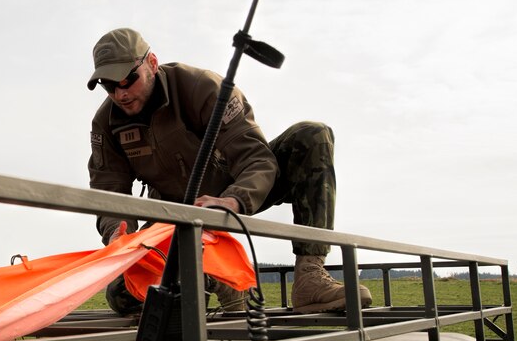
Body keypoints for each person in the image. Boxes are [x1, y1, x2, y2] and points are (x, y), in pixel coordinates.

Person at [85, 27, 372, 314]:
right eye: (109, 86)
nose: (121, 94)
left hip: (235, 187)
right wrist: (117, 233)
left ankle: (310, 275)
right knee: (121, 295)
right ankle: (216, 277)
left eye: (128, 80)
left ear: (152, 63)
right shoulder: (106, 124)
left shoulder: (202, 88)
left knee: (312, 136)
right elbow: (108, 189)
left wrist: (234, 200)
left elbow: (256, 159)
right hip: (175, 218)